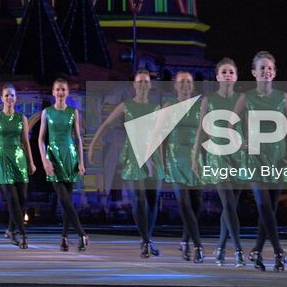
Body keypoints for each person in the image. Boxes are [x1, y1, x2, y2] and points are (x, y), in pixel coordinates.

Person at [92, 68, 162, 259]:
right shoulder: (126, 105)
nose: (143, 85)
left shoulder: (156, 108)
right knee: (138, 199)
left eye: (146, 82)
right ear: (133, 85)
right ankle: (146, 240)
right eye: (139, 82)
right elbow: (106, 124)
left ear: (150, 85)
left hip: (153, 156)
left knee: (152, 200)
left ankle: (148, 239)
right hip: (133, 157)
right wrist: (92, 146)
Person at [238, 50, 287, 271]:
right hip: (254, 156)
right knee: (263, 204)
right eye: (262, 68)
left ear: (274, 72)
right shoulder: (246, 97)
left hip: (279, 156)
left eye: (269, 68)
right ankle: (279, 251)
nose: (266, 71)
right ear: (254, 72)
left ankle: (256, 250)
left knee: (269, 208)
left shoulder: (283, 97)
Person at [192, 59, 246, 266]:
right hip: (218, 157)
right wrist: (196, 156)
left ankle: (221, 248)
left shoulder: (243, 99)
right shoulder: (209, 100)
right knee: (228, 203)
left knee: (230, 207)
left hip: (239, 157)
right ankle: (238, 250)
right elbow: (201, 130)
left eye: (231, 72)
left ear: (236, 76)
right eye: (223, 72)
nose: (227, 75)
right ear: (217, 76)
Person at [0, 84, 35, 248]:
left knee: (22, 198)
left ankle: (10, 229)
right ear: (2, 98)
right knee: (11, 198)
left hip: (19, 159)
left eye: (12, 95)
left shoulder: (22, 118)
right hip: (2, 158)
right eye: (6, 96)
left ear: (15, 98)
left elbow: (25, 142)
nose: (9, 98)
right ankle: (23, 234)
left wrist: (31, 162)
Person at [37, 77, 87, 252]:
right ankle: (82, 234)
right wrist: (44, 160)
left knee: (67, 202)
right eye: (57, 89)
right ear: (53, 92)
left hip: (70, 157)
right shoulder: (46, 112)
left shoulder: (74, 112)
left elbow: (78, 138)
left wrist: (81, 161)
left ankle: (64, 238)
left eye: (63, 89)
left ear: (67, 92)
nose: (60, 92)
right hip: (53, 158)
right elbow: (40, 139)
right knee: (64, 198)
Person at [163, 70, 205, 263]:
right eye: (182, 82)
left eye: (189, 82)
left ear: (193, 85)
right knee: (184, 204)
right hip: (175, 158)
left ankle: (185, 241)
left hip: (196, 159)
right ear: (175, 85)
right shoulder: (169, 106)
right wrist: (161, 162)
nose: (186, 85)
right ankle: (198, 246)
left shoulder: (201, 106)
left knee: (196, 205)